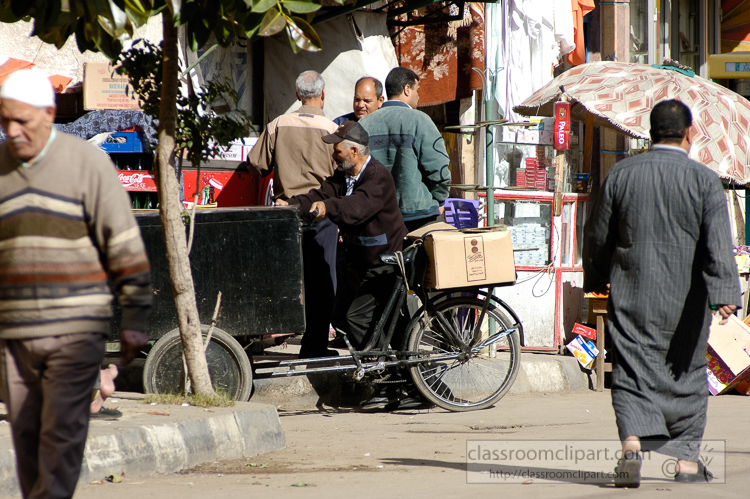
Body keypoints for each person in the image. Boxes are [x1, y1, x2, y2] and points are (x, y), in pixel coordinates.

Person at [0, 69, 152, 499]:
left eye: (23, 121)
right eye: (5, 120)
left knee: (60, 443)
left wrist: (135, 318)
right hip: (15, 339)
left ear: (49, 115)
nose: (12, 132)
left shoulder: (88, 164)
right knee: (27, 444)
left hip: (75, 330)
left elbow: (124, 245)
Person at [583, 99, 741, 487]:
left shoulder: (621, 174)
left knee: (632, 372)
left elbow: (597, 234)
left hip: (632, 292)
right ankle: (686, 464)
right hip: (685, 300)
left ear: (650, 133)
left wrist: (596, 277)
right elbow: (718, 244)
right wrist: (725, 292)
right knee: (686, 373)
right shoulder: (705, 180)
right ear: (689, 133)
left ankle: (634, 444)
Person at [276, 121, 407, 351]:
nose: (333, 155)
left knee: (358, 318)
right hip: (359, 262)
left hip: (384, 263)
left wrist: (328, 208)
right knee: (342, 312)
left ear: (354, 152)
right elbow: (319, 194)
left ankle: (379, 364)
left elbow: (357, 207)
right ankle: (384, 361)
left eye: (337, 150)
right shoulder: (344, 175)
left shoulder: (377, 177)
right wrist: (290, 205)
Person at [246, 70, 338, 358]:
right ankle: (314, 346)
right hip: (321, 214)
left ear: (297, 95)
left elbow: (256, 165)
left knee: (284, 278)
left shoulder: (278, 125)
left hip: (285, 214)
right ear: (322, 95)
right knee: (321, 281)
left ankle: (275, 332)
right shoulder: (332, 129)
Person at [359, 67, 451, 232]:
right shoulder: (419, 120)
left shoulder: (364, 124)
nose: (418, 95)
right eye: (417, 89)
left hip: (375, 217)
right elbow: (439, 168)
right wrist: (439, 200)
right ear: (407, 89)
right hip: (417, 216)